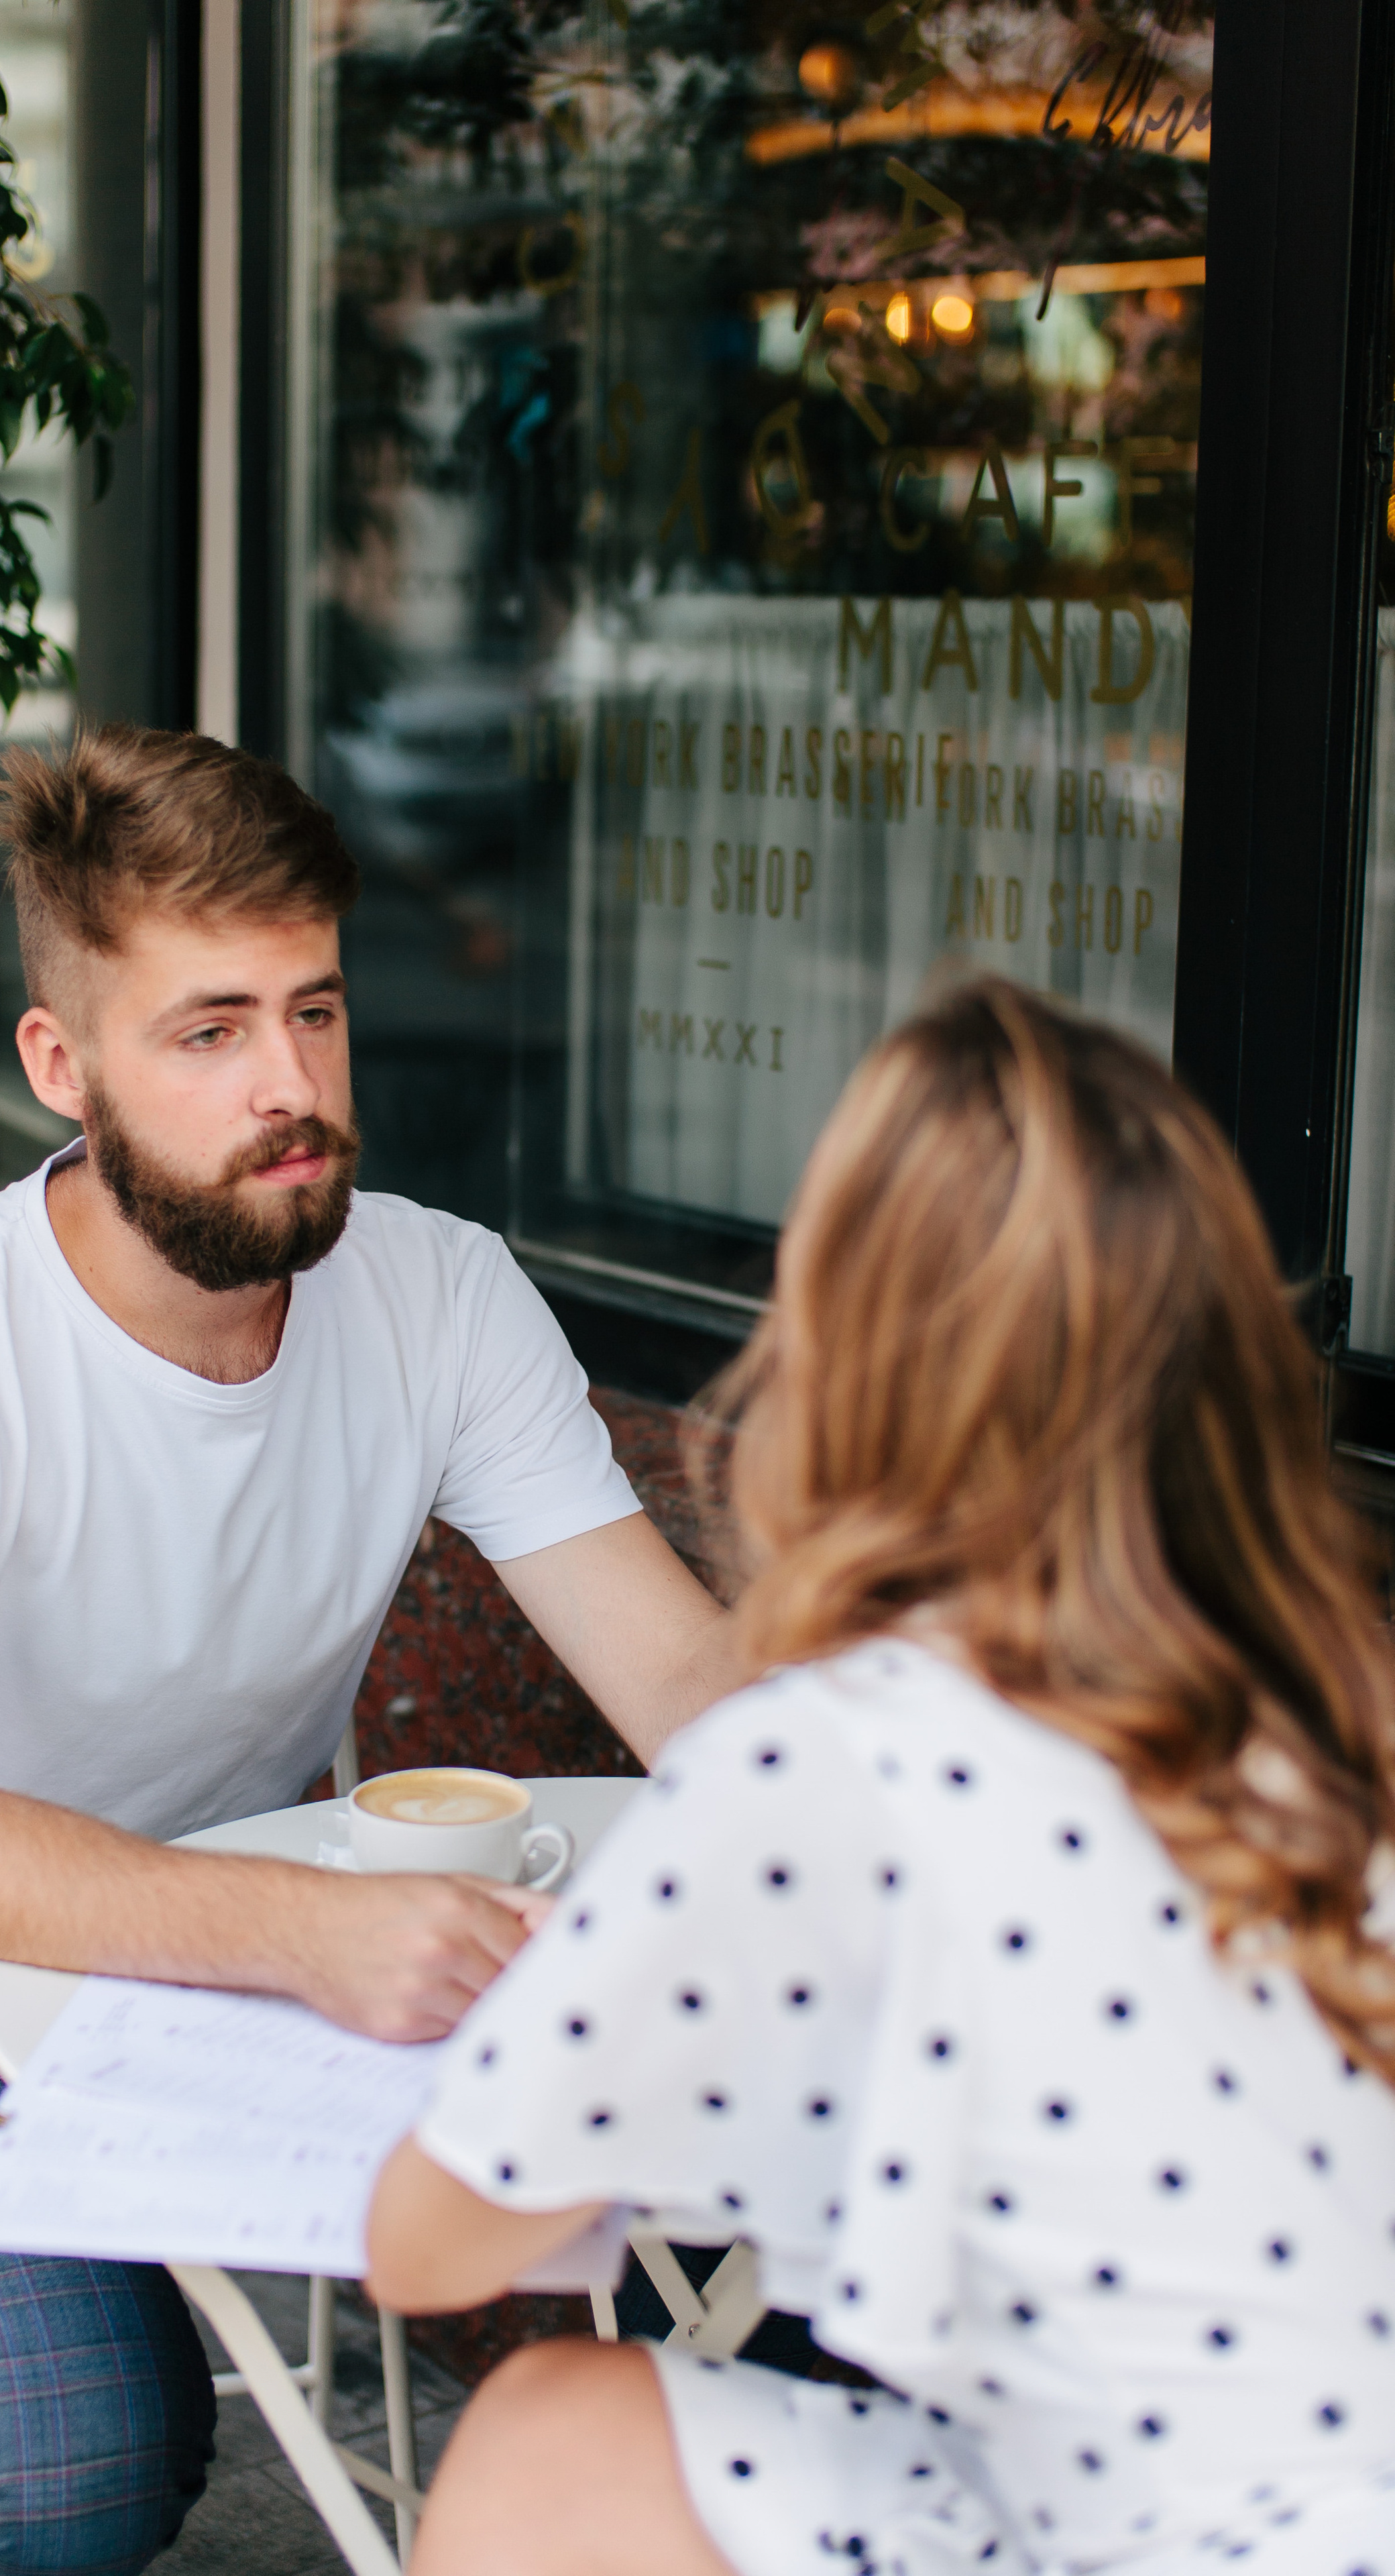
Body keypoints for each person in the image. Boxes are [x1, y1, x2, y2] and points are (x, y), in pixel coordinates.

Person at [0, 724, 736, 2576]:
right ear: (65, 1064)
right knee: (70, 2468)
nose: (290, 1084)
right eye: (209, 1032)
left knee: (767, 2251)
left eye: (316, 1010)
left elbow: (684, 1686)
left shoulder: (439, 1293)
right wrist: (315, 1931)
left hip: (284, 1896)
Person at [367, 975, 1395, 2576]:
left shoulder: (829, 1758)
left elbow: (427, 2249)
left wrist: (621, 2021)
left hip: (1119, 2535)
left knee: (549, 2433)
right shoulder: (1341, 1709)